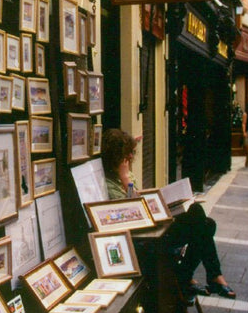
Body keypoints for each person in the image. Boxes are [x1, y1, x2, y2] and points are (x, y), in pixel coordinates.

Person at [100, 128, 236, 302]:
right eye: (127, 155)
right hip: (142, 241)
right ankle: (201, 275)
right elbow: (133, 209)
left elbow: (140, 201)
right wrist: (126, 179)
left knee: (207, 224)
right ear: (116, 158)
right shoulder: (111, 182)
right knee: (200, 219)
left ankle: (188, 275)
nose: (131, 159)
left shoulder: (126, 174)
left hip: (153, 228)